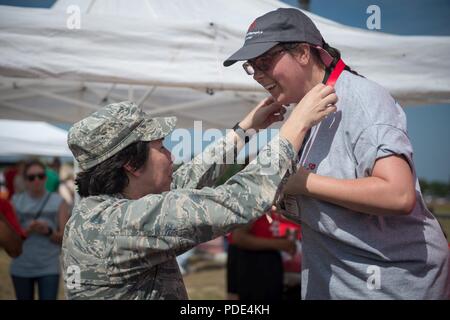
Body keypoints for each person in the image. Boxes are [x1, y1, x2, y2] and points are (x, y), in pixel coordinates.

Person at [223, 8, 449, 299]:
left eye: (265, 60)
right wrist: (287, 200)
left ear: (304, 52)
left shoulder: (361, 99)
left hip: (393, 285)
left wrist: (300, 182)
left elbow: (398, 195)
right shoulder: (304, 113)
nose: (259, 74)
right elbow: (337, 206)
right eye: (252, 66)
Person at [62, 88, 337, 300]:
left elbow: (187, 180)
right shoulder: (120, 225)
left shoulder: (100, 212)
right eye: (161, 147)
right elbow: (241, 199)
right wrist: (295, 127)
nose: (171, 155)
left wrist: (245, 131)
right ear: (132, 165)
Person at [10, 159, 70, 300]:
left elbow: (66, 239)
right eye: (31, 177)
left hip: (48, 267)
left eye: (41, 176)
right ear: (25, 180)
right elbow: (10, 240)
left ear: (45, 177)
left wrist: (48, 231)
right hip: (21, 267)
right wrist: (27, 231)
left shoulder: (59, 201)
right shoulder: (15, 201)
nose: (36, 180)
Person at [230, 213, 296, 300]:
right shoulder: (253, 204)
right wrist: (278, 244)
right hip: (254, 267)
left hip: (269, 266)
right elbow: (239, 237)